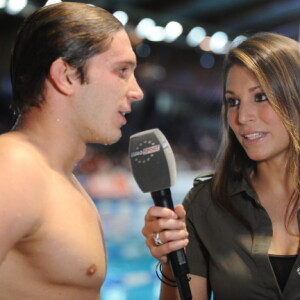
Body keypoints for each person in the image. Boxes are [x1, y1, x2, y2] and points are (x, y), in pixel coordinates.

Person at [0, 2, 143, 299]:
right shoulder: (15, 167)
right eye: (122, 71)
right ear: (65, 75)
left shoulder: (59, 177)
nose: (137, 90)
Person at [142, 32, 300, 300]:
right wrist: (172, 259)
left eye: (260, 96)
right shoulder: (205, 204)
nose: (242, 117)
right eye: (233, 102)